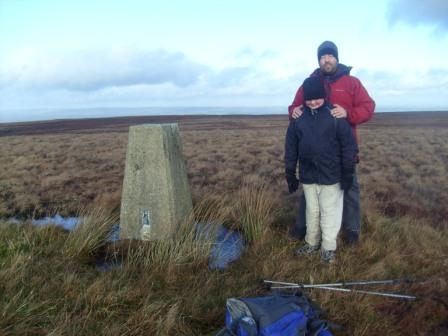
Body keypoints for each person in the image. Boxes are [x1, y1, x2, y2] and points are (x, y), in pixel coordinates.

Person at [288, 41, 375, 244]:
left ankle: (352, 229)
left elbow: (369, 107)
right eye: (322, 57)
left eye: (330, 56)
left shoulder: (352, 83)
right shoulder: (309, 82)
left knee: (350, 187)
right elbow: (294, 107)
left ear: (337, 58)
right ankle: (303, 227)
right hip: (314, 151)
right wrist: (294, 111)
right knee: (309, 189)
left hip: (345, 149)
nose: (326, 60)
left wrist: (349, 113)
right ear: (319, 60)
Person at [284, 76, 358, 263]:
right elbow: (291, 148)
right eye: (309, 98)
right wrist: (290, 173)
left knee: (329, 212)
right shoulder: (298, 119)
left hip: (331, 175)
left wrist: (348, 172)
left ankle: (328, 247)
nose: (313, 102)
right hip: (308, 175)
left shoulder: (336, 116)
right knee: (312, 211)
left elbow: (348, 146)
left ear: (324, 95)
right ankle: (311, 243)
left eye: (317, 97)